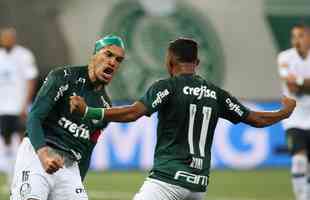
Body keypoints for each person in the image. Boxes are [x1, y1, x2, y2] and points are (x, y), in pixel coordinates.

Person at [70, 37, 296, 200]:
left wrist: (89, 111)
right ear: (196, 63)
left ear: (169, 62)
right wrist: (283, 113)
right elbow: (256, 119)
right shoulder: (216, 94)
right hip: (198, 186)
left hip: (168, 180)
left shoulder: (167, 87)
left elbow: (133, 112)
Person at [10, 35, 125, 200]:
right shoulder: (63, 77)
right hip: (38, 154)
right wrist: (43, 155)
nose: (113, 62)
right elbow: (34, 117)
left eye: (118, 60)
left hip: (69, 167)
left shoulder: (105, 106)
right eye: (108, 54)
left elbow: (87, 150)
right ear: (94, 55)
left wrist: (78, 182)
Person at [0, 27, 38, 189]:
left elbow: (31, 79)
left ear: (14, 39)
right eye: (4, 38)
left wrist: (26, 104)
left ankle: (25, 176)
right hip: (3, 108)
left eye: (9, 37)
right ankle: (10, 176)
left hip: (19, 107)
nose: (7, 40)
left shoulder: (24, 55)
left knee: (25, 141)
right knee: (7, 141)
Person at [277, 24, 310, 200]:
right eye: (294, 36)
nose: (297, 40)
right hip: (294, 118)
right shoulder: (285, 57)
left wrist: (298, 80)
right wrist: (303, 83)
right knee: (298, 161)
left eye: (301, 36)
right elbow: (292, 87)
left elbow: (296, 83)